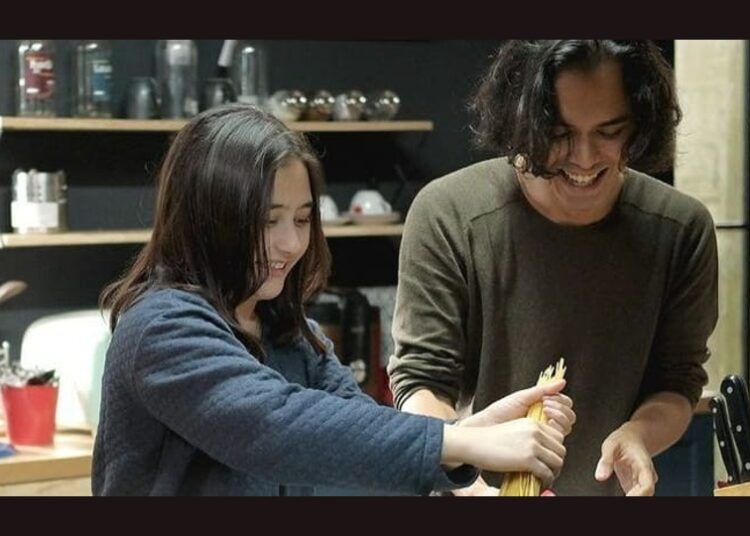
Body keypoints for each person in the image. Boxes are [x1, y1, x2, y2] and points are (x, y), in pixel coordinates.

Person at [91, 103, 575, 496]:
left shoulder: (294, 334)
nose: (290, 243)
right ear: (208, 218)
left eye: (302, 220)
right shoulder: (161, 327)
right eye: (267, 220)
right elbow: (275, 426)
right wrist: (464, 442)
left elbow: (357, 437)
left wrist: (471, 435)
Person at [387, 40, 718, 496]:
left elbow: (677, 383)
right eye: (559, 133)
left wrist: (639, 435)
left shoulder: (681, 229)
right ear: (521, 119)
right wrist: (472, 484)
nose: (584, 157)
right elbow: (420, 384)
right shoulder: (448, 214)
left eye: (609, 131)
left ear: (640, 124)